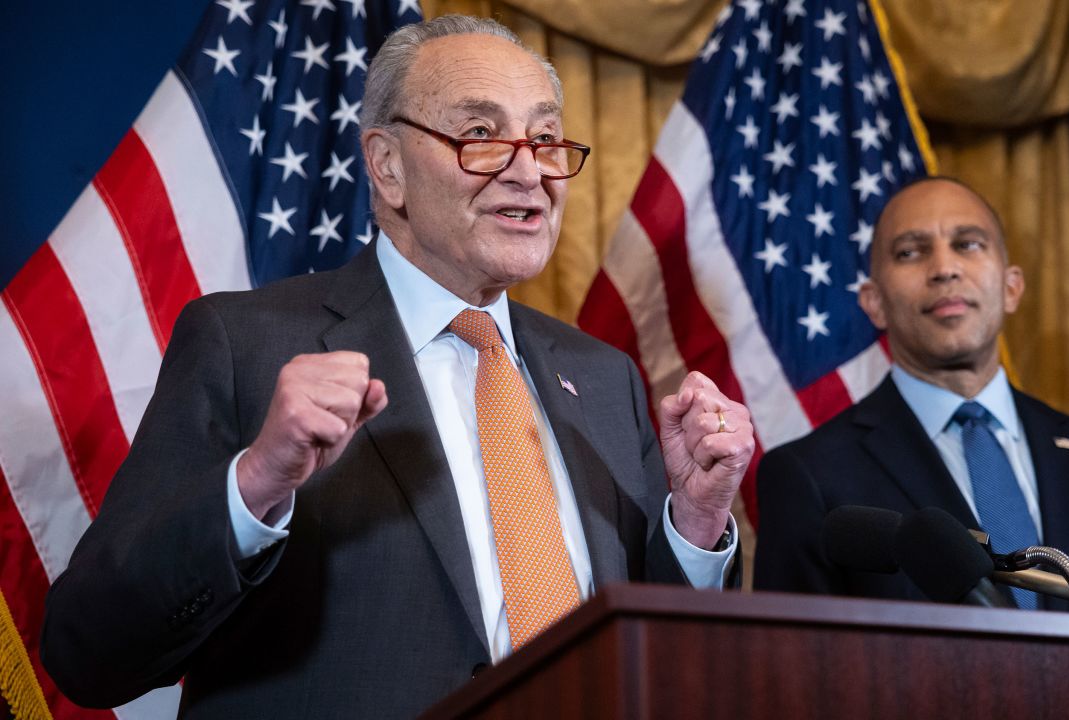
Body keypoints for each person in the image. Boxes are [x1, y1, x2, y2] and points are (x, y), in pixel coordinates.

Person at [41, 16, 753, 718]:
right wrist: (254, 486)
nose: (529, 171)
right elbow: (91, 653)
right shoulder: (245, 345)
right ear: (387, 166)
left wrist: (692, 527)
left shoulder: (605, 377)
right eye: (480, 135)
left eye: (542, 137)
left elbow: (674, 665)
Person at [753, 177, 1069, 618]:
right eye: (910, 252)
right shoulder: (810, 476)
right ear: (874, 302)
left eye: (968, 244)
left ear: (1011, 287)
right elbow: (793, 671)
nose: (944, 268)